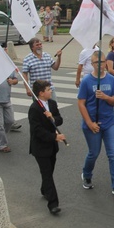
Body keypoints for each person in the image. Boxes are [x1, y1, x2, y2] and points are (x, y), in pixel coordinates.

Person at [78, 52, 114, 199]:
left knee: (113, 154)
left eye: (101, 61)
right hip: (92, 122)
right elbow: (81, 103)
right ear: (92, 64)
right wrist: (89, 123)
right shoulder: (87, 81)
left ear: (106, 62)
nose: (99, 65)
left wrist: (105, 97)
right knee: (93, 153)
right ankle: (86, 174)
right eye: (95, 62)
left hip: (109, 122)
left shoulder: (112, 79)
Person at [28, 80, 66, 215]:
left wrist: (53, 118)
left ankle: (45, 190)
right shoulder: (34, 108)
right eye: (48, 89)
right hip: (40, 147)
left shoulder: (52, 104)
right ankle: (53, 204)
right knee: (47, 174)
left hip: (52, 147)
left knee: (49, 170)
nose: (51, 91)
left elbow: (60, 119)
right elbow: (37, 130)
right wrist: (54, 137)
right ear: (41, 93)